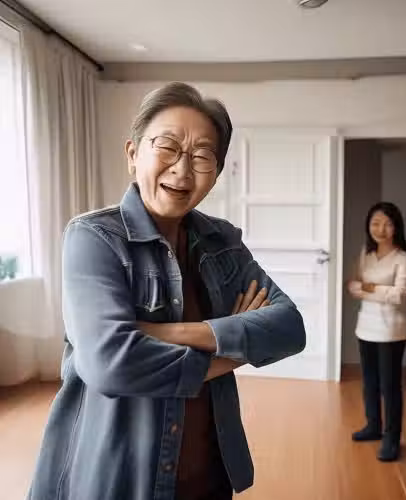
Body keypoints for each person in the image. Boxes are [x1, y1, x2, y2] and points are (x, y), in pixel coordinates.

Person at [28, 82, 306, 500]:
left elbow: (290, 328)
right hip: (117, 480)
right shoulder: (94, 238)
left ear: (217, 172)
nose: (183, 168)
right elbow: (111, 364)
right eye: (168, 146)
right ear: (133, 154)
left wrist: (162, 333)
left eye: (202, 155)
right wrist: (237, 347)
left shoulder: (222, 243)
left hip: (209, 474)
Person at [347, 202, 406, 462]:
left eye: (387, 224)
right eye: (375, 223)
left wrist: (370, 287)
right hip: (365, 326)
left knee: (390, 386)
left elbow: (401, 296)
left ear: (396, 227)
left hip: (391, 330)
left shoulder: (404, 258)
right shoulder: (366, 253)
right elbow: (353, 286)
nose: (381, 229)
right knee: (370, 382)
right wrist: (376, 289)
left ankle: (391, 439)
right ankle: (373, 426)